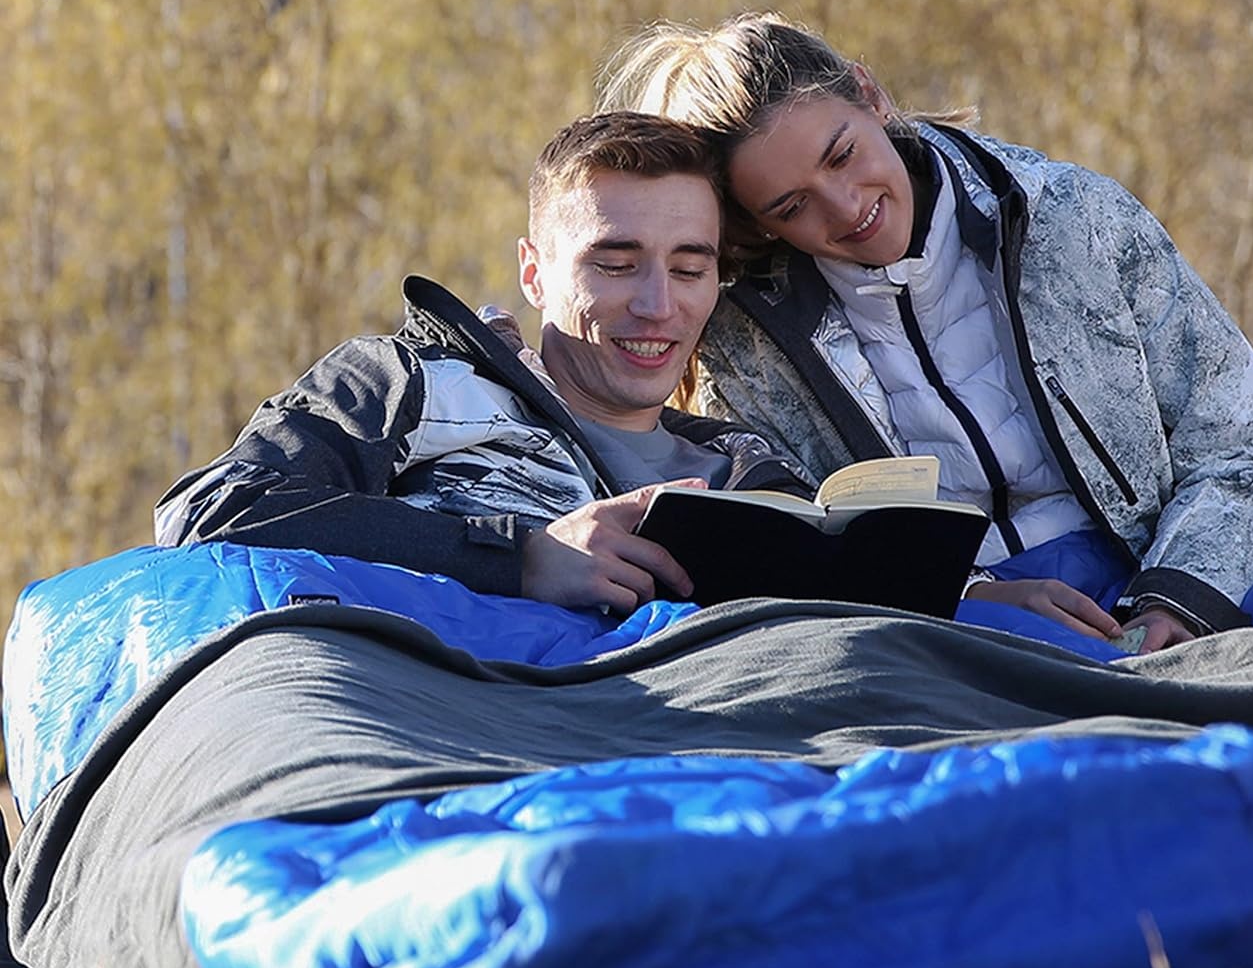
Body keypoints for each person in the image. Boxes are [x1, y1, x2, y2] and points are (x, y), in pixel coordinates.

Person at [595, 13, 1253, 653]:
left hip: (1176, 569)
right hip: (952, 624)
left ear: (869, 93)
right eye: (791, 206)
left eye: (843, 153)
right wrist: (967, 595)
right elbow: (798, 544)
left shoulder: (1074, 218)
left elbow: (1250, 441)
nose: (846, 208)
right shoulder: (746, 340)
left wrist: (1178, 597)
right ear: (756, 225)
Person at [155, 111, 811, 614]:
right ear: (534, 272)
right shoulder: (416, 386)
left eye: (690, 268)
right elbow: (213, 510)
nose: (658, 304)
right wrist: (520, 558)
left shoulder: (747, 474)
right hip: (469, 748)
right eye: (615, 265)